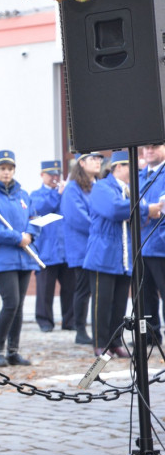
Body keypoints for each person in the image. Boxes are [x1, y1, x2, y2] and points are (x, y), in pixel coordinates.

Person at [85, 150, 160, 356]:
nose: (134, 172)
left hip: (123, 256)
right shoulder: (102, 187)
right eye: (130, 167)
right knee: (102, 302)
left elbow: (136, 212)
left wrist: (148, 209)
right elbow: (115, 210)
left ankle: (115, 341)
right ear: (118, 167)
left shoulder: (128, 190)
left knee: (119, 302)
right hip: (103, 254)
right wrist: (147, 209)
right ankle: (100, 343)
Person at [0, 150, 39, 368]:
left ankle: (13, 351)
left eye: (10, 168)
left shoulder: (22, 193)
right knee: (10, 302)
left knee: (19, 305)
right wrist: (16, 237)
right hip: (2, 257)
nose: (6, 172)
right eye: (2, 168)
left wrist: (29, 234)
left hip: (23, 255)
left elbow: (34, 217)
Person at [62, 152, 104, 346]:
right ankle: (80, 329)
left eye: (99, 159)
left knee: (97, 289)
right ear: (81, 162)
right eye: (93, 158)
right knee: (83, 288)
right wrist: (102, 229)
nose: (98, 162)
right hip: (82, 245)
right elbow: (78, 218)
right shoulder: (73, 188)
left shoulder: (100, 185)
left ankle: (99, 329)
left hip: (100, 243)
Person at [31, 160, 75, 333]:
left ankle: (69, 321)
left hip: (66, 249)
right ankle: (45, 321)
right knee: (45, 289)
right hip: (46, 249)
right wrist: (58, 194)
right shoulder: (36, 194)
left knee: (70, 288)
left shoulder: (66, 194)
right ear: (42, 175)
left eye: (57, 175)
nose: (54, 178)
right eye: (50, 175)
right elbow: (41, 208)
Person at [139, 143, 165, 345]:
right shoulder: (139, 176)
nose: (149, 150)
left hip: (160, 244)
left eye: (155, 146)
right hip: (142, 244)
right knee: (145, 295)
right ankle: (151, 335)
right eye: (146, 147)